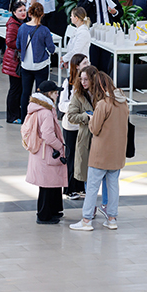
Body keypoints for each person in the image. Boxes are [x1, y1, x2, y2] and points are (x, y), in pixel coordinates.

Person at [69, 71, 129, 232]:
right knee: (113, 186)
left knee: (92, 188)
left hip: (100, 153)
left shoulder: (103, 104)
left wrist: (91, 119)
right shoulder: (123, 102)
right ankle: (112, 219)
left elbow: (94, 129)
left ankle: (86, 220)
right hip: (118, 152)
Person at [24, 79, 68, 224]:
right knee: (48, 185)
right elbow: (48, 135)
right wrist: (60, 146)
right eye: (55, 93)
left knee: (50, 183)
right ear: (49, 94)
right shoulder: (46, 112)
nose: (57, 95)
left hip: (40, 152)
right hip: (47, 152)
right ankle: (44, 216)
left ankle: (54, 211)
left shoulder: (36, 107)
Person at [17, 2, 56, 118]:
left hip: (25, 65)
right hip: (41, 65)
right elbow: (51, 48)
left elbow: (18, 45)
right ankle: (38, 118)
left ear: (29, 14)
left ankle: (25, 118)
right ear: (42, 14)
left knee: (25, 93)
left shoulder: (22, 28)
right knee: (40, 94)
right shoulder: (44, 30)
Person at [61, 58, 91, 200]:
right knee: (71, 156)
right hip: (71, 126)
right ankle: (69, 188)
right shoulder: (68, 83)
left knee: (82, 156)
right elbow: (61, 105)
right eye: (85, 63)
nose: (88, 64)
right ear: (77, 66)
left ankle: (80, 187)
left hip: (84, 125)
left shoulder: (89, 83)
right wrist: (75, 106)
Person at [0, 0, 29, 124]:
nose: (23, 13)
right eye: (20, 11)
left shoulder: (23, 22)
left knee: (20, 89)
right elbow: (10, 42)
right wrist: (24, 44)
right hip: (14, 61)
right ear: (14, 12)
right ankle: (12, 116)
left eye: (24, 10)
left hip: (18, 60)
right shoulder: (13, 25)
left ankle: (18, 113)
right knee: (15, 89)